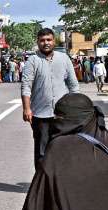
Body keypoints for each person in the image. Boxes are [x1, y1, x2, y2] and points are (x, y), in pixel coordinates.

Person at [21, 28, 79, 168]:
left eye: (49, 40)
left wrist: (76, 107)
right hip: (41, 115)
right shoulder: (32, 61)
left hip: (62, 115)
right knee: (42, 152)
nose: (46, 43)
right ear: (38, 42)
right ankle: (41, 185)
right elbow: (26, 86)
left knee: (63, 149)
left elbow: (73, 85)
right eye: (42, 40)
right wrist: (27, 108)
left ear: (54, 41)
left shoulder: (64, 58)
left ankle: (59, 183)